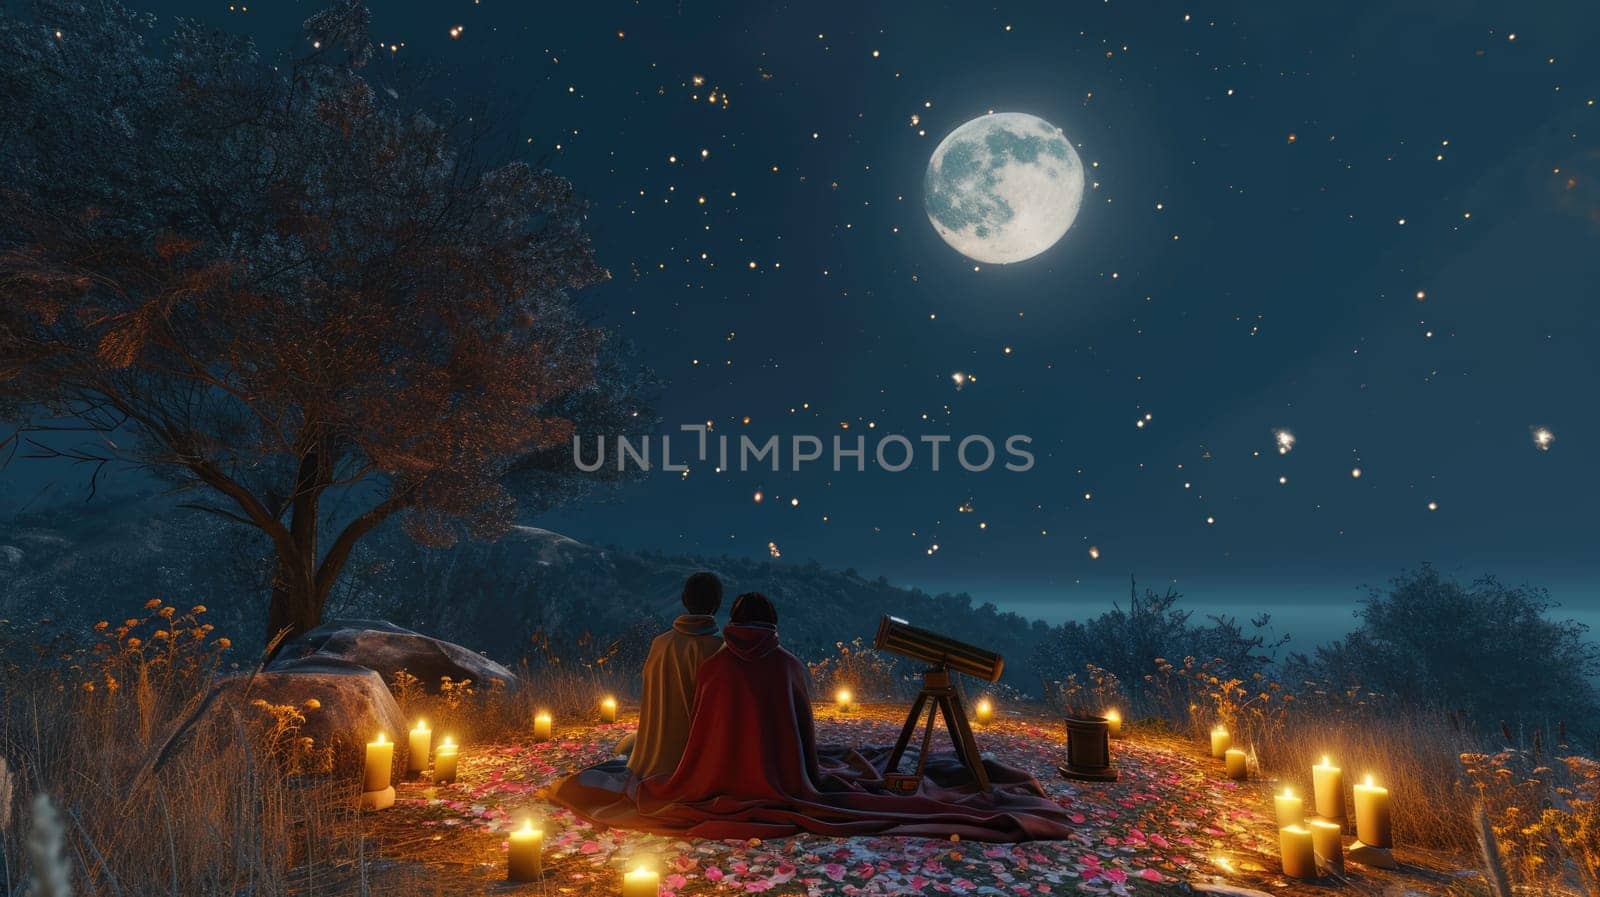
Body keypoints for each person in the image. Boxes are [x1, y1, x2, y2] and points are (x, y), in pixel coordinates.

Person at [551, 590, 1077, 842]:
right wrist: (802, 769)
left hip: (713, 777)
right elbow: (804, 731)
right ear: (772, 624)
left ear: (733, 622)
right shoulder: (787, 665)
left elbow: (704, 729)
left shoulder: (713, 666)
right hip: (786, 779)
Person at [625, 571, 725, 779]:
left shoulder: (660, 644)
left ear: (684, 600)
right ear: (718, 603)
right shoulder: (720, 649)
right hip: (701, 765)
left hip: (654, 755)